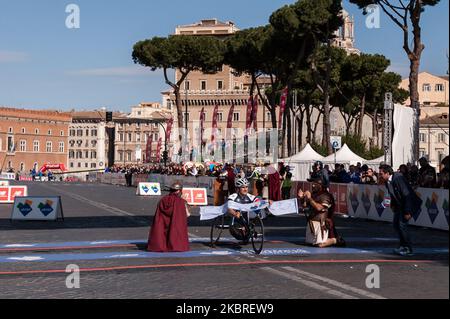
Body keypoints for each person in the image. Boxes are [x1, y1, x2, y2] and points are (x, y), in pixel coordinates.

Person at [379, 164, 423, 256]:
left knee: (402, 225)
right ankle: (403, 245)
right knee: (396, 224)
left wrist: (408, 211)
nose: (380, 176)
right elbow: (393, 194)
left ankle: (408, 248)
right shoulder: (388, 182)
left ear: (387, 173)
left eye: (381, 173)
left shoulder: (398, 179)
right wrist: (393, 205)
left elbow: (406, 195)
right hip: (400, 205)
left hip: (408, 205)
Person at [297, 175, 345, 248]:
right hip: (312, 222)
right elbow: (304, 206)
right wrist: (301, 198)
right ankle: (326, 239)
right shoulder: (314, 194)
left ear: (320, 185)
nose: (312, 185)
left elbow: (319, 208)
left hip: (321, 223)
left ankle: (335, 240)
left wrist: (309, 198)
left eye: (314, 184)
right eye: (312, 183)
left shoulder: (326, 195)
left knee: (320, 244)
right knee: (310, 243)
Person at [147, 182, 190, 252]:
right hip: (174, 223)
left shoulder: (163, 199)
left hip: (163, 222)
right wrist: (185, 202)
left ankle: (161, 245)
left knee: (161, 230)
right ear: (179, 191)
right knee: (175, 228)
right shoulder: (180, 202)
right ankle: (174, 245)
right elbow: (186, 215)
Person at [227, 177, 259, 242]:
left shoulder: (250, 196)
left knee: (259, 208)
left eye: (246, 187)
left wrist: (267, 201)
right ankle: (243, 231)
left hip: (246, 219)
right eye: (243, 187)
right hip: (235, 221)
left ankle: (251, 226)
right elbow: (229, 208)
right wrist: (235, 213)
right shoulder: (233, 196)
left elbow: (258, 201)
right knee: (240, 237)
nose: (245, 189)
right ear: (238, 189)